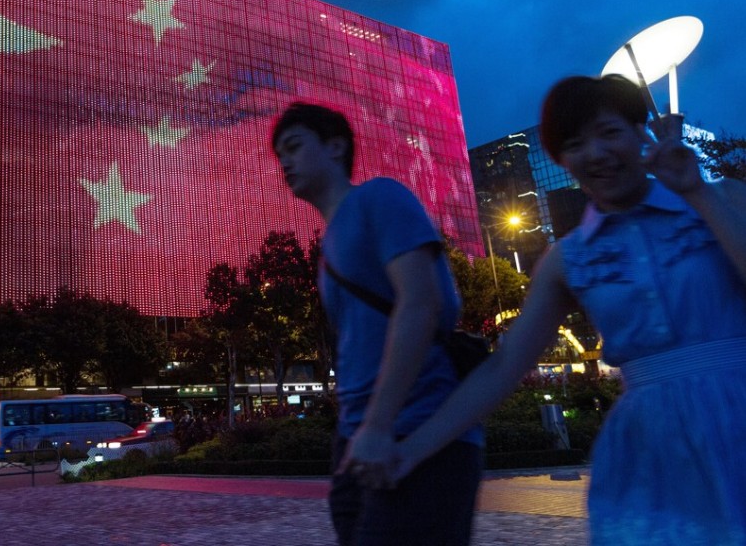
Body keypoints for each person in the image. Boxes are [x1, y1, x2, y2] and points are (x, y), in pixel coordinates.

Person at [394, 75, 746, 545]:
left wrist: (699, 193)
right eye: (576, 144)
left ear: (640, 132)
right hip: (653, 454)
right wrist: (411, 448)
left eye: (610, 132)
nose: (597, 154)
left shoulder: (725, 198)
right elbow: (504, 369)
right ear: (560, 160)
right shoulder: (569, 259)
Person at [271, 102, 483, 545]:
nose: (285, 162)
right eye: (279, 155)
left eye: (293, 146)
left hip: (419, 431)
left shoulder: (380, 198)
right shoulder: (327, 250)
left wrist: (379, 423)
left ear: (335, 146)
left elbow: (423, 304)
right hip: (357, 441)